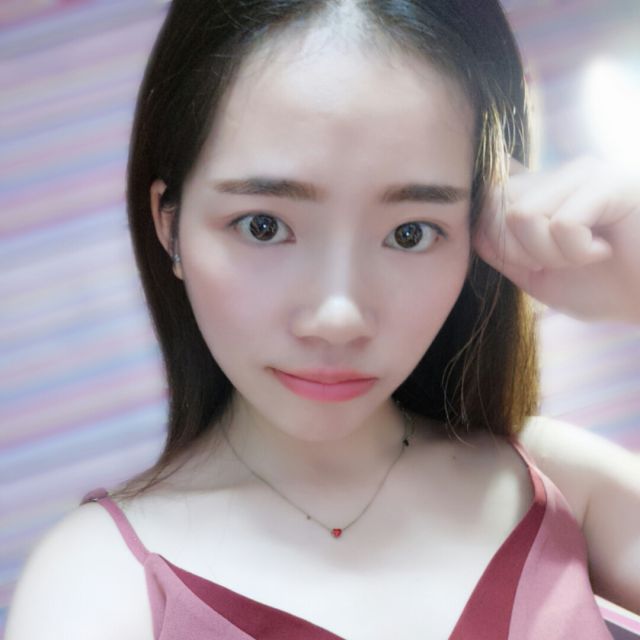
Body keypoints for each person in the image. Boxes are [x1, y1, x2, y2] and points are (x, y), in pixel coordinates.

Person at [6, 1, 640, 638]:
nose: (338, 317)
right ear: (169, 226)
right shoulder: (98, 581)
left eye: (411, 233)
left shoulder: (550, 479)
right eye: (263, 226)